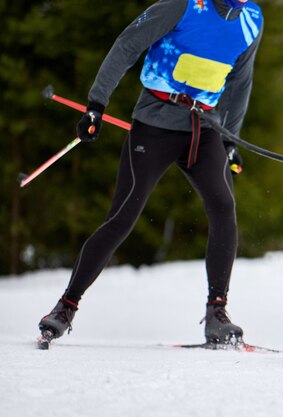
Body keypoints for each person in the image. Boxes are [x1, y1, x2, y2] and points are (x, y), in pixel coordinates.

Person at [37, 0, 263, 348]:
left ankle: (217, 313)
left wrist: (231, 139)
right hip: (155, 124)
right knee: (123, 217)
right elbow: (128, 44)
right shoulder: (183, 6)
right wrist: (97, 105)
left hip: (204, 128)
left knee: (223, 206)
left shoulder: (251, 20)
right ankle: (66, 306)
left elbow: (240, 80)